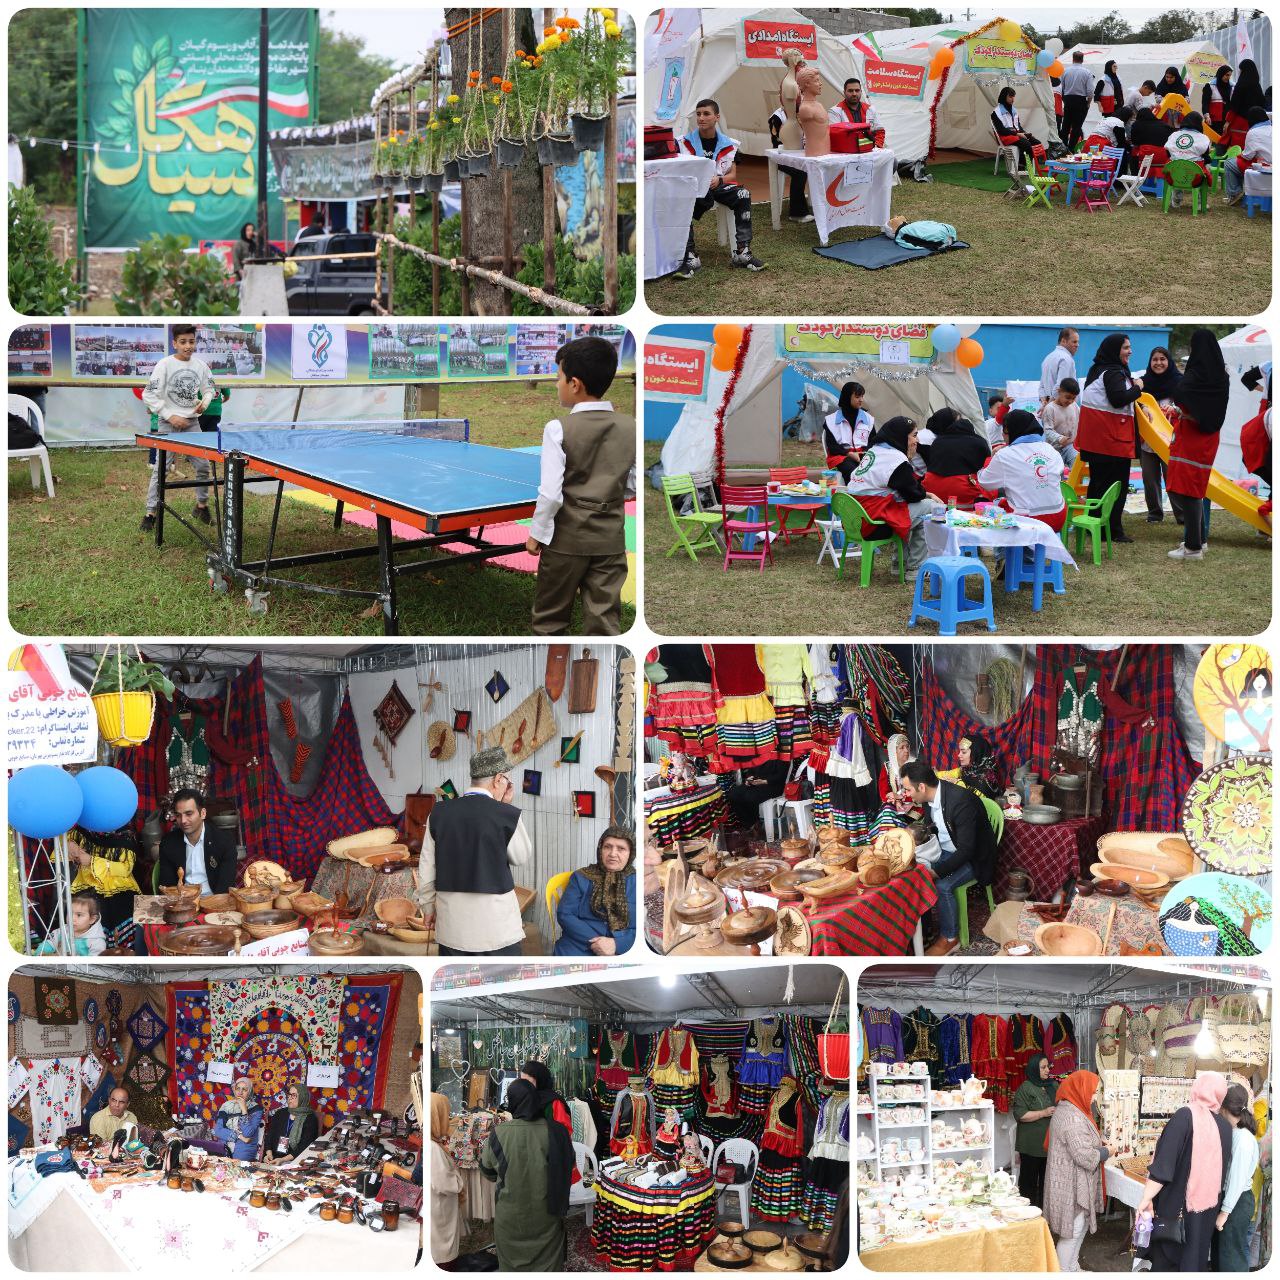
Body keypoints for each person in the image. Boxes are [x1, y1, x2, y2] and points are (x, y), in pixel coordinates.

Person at [525, 336, 635, 636]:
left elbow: (550, 494)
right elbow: (632, 484)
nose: (556, 384)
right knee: (605, 620)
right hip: (610, 540)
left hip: (565, 541)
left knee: (550, 616)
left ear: (574, 384)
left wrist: (537, 533)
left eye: (558, 377)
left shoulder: (557, 428)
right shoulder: (631, 427)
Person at [417, 748, 534, 957]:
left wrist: (427, 908)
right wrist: (506, 809)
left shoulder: (438, 813)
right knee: (502, 980)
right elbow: (521, 857)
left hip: (452, 928)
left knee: (456, 979)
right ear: (498, 779)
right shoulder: (506, 814)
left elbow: (427, 867)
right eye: (507, 781)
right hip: (497, 929)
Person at [899, 760, 998, 956]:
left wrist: (936, 872)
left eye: (908, 789)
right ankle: (925, 931)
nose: (906, 794)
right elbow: (932, 827)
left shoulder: (961, 801)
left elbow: (967, 850)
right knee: (913, 874)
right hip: (946, 850)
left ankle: (950, 939)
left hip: (975, 857)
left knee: (942, 886)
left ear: (921, 787)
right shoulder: (929, 797)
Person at [1136, 1071, 1231, 1271]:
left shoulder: (1185, 1116)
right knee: (1195, 1257)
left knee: (1168, 1259)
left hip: (1178, 1206)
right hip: (1206, 1209)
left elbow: (1164, 1164)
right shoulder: (1225, 1126)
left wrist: (1146, 1198)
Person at [479, 1077, 573, 1271]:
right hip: (548, 1217)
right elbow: (568, 1166)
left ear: (512, 1102)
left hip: (511, 1219)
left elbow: (487, 1171)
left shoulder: (498, 1133)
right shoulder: (558, 1132)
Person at [674, 99, 765, 277]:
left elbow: (733, 175)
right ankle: (690, 256)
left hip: (719, 186)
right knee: (681, 199)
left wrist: (720, 180)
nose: (701, 118)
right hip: (694, 189)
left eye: (706, 114)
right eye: (698, 114)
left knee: (743, 194)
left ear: (717, 117)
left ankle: (743, 252)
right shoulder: (683, 143)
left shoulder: (730, 144)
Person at [139, 325, 215, 533]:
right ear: (174, 343)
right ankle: (150, 513)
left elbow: (210, 389)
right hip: (168, 424)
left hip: (192, 424)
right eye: (183, 342)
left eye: (191, 341)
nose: (188, 346)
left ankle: (201, 507)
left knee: (203, 466)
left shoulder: (201, 366)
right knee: (161, 469)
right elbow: (148, 394)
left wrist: (205, 403)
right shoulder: (164, 365)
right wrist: (169, 415)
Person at [845, 416, 937, 579]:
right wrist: (927, 494)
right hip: (873, 524)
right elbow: (913, 494)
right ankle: (916, 568)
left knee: (907, 508)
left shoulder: (874, 451)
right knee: (930, 508)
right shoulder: (895, 460)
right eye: (914, 435)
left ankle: (899, 564)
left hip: (854, 522)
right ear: (901, 436)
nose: (917, 441)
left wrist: (924, 493)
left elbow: (906, 490)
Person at [1168, 328, 1230, 561]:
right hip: (1210, 438)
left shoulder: (1195, 376)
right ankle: (1200, 540)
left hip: (1192, 437)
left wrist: (1184, 412)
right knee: (1197, 488)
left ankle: (1193, 547)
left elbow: (1179, 392)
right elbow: (1211, 411)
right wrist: (1189, 412)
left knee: (1188, 491)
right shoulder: (1221, 377)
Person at [1076, 332, 1143, 545]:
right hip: (1111, 441)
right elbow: (1118, 399)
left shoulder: (1098, 369)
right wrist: (1138, 387)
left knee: (1098, 484)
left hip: (1098, 440)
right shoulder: (1113, 372)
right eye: (1126, 347)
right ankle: (1112, 530)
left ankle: (1094, 523)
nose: (1130, 351)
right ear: (1115, 350)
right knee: (1115, 487)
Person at [1044, 1070, 1112, 1272]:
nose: (1095, 1097)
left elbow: (1082, 1142)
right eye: (1094, 1091)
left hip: (1071, 1179)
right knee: (1072, 1231)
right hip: (1070, 1183)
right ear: (1081, 1089)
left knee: (1079, 1226)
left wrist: (1099, 1144)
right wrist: (1107, 1151)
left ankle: (1072, 1268)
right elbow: (1084, 1155)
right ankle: (1063, 1270)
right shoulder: (1072, 1117)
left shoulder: (1071, 1108)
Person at [976, 409, 1068, 533]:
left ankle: (1004, 546)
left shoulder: (1005, 455)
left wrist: (991, 458)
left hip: (1027, 521)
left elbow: (985, 482)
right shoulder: (1051, 450)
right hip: (1058, 517)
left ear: (1009, 430)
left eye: (1004, 430)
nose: (1002, 435)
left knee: (996, 507)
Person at [554, 826, 636, 957]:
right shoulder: (581, 877)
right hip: (580, 944)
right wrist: (597, 942)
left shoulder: (638, 882)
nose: (612, 854)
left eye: (621, 848)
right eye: (607, 847)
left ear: (631, 853)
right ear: (600, 849)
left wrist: (618, 944)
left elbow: (642, 926)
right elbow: (565, 914)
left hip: (624, 948)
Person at [67, 826, 139, 950]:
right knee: (83, 908)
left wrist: (92, 861)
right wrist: (70, 844)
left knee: (120, 909)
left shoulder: (125, 835)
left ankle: (118, 951)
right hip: (87, 882)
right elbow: (62, 836)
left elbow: (125, 869)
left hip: (119, 885)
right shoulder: (84, 828)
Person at [1213, 1083, 1261, 1271]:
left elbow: (1237, 1179)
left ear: (1224, 1107)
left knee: (1231, 1259)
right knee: (1223, 1255)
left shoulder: (1243, 1138)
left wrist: (1224, 1212)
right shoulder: (1235, 1132)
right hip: (1233, 1200)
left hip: (1237, 1202)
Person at [157, 788, 237, 895]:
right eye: (178, 815)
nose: (183, 821)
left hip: (214, 901)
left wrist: (210, 904)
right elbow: (168, 887)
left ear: (203, 813)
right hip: (182, 901)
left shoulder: (224, 841)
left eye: (189, 814)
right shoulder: (168, 843)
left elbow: (225, 888)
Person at [1136, 347, 1181, 523]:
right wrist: (1142, 405)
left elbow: (1186, 405)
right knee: (1149, 478)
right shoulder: (1143, 383)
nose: (1158, 363)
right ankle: (1154, 513)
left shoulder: (1179, 382)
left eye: (1162, 359)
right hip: (1147, 441)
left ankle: (1182, 514)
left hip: (1171, 440)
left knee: (1173, 478)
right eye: (1155, 359)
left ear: (1168, 361)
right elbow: (1134, 402)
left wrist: (1174, 408)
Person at [920, 408, 993, 507]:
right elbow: (987, 472)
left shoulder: (937, 441)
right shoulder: (979, 442)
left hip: (931, 487)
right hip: (961, 489)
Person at [1012, 1054, 1056, 1208]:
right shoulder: (1025, 1088)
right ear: (1034, 1069)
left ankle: (1045, 1213)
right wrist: (1043, 1113)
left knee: (1047, 1184)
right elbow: (1021, 1115)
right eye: (1043, 1067)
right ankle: (1027, 1214)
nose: (1047, 1070)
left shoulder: (1052, 1085)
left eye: (1048, 1067)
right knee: (1028, 1184)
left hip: (1050, 1145)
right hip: (1031, 1146)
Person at [430, 1092, 464, 1266]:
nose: (448, 1119)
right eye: (445, 1115)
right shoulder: (434, 1149)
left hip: (437, 1212)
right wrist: (458, 1176)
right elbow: (446, 1185)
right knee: (443, 1259)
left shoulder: (433, 1143)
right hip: (439, 1216)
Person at [823, 381, 873, 482]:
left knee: (877, 471)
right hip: (841, 456)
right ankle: (854, 491)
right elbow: (832, 447)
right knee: (855, 473)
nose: (861, 400)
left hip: (864, 455)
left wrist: (865, 455)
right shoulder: (831, 420)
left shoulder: (868, 419)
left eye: (862, 396)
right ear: (847, 397)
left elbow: (873, 442)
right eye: (857, 397)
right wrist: (849, 453)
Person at [768, 107, 811, 222]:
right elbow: (781, 141)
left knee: (818, 166)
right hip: (782, 158)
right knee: (800, 172)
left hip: (802, 154)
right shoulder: (777, 117)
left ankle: (822, 206)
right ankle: (797, 213)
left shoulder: (804, 111)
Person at [724, 758, 791, 831]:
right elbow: (751, 770)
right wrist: (749, 779)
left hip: (773, 785)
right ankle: (749, 824)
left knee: (750, 796)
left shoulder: (779, 755)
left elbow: (781, 776)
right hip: (756, 783)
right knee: (733, 794)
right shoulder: (759, 753)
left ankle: (754, 823)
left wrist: (764, 781)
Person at [1224, 106, 1272, 205]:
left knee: (1229, 163)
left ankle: (1234, 193)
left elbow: (1247, 156)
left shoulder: (1253, 132)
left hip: (1266, 168)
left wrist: (1240, 155)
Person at [263, 1083, 319, 1162]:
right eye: (289, 1095)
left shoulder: (310, 1119)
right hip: (274, 1158)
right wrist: (268, 1154)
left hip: (295, 1160)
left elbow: (304, 1146)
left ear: (303, 1097)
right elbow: (269, 1136)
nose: (289, 1098)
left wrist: (282, 1160)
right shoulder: (280, 1113)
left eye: (294, 1095)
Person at [939, 732, 1004, 800]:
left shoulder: (986, 777)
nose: (959, 755)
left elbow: (981, 801)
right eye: (960, 751)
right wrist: (934, 775)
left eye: (964, 752)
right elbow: (948, 774)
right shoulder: (968, 770)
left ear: (976, 754)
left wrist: (958, 783)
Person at [212, 1077, 265, 1159]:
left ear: (250, 1092)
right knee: (219, 1164)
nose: (240, 1092)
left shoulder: (256, 1109)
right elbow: (218, 1130)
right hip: (225, 1144)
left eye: (244, 1089)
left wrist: (244, 1109)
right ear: (234, 1090)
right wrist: (239, 1136)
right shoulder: (226, 1106)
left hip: (245, 1147)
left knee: (238, 1165)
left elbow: (247, 1133)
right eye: (238, 1089)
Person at [991, 87, 1041, 168]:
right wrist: (1018, 134)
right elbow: (1001, 130)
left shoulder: (1013, 110)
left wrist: (1024, 133)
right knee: (1026, 144)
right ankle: (1021, 165)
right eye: (1010, 96)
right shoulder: (996, 112)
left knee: (1037, 142)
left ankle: (1029, 165)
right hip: (1005, 137)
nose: (1013, 99)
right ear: (1004, 96)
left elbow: (1018, 126)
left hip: (1015, 135)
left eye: (1013, 96)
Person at [1221, 58, 1265, 150]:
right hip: (1254, 123)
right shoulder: (1257, 86)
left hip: (1240, 122)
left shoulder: (1241, 85)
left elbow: (1235, 105)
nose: (1239, 72)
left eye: (1241, 70)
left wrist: (1228, 121)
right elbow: (1262, 104)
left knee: (1236, 147)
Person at [829, 77, 884, 147]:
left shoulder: (870, 109)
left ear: (861, 91)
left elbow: (880, 131)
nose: (854, 94)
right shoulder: (835, 111)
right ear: (844, 92)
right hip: (847, 150)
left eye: (857, 90)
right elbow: (834, 135)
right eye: (850, 91)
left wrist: (876, 147)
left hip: (869, 150)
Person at [1040, 377, 1080, 467]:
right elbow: (1048, 430)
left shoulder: (1074, 406)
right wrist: (1059, 438)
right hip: (1054, 449)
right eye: (1067, 397)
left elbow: (1081, 421)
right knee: (1057, 472)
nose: (1070, 401)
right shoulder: (1050, 409)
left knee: (1076, 466)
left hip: (1071, 446)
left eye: (1073, 398)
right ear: (1059, 391)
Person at [1059, 52, 1094, 150]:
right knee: (1077, 127)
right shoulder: (1087, 72)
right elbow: (1090, 91)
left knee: (1066, 126)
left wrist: (1065, 100)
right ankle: (1071, 149)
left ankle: (1063, 148)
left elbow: (1062, 88)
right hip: (1081, 100)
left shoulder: (1065, 71)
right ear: (1082, 60)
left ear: (1073, 59)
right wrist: (1088, 103)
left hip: (1068, 99)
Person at [1039, 328, 1079, 405]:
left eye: (1077, 342)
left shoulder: (1048, 357)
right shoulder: (1066, 359)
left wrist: (1044, 403)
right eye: (1074, 342)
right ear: (1063, 341)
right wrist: (1049, 405)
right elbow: (1061, 386)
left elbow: (1041, 387)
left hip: (1049, 403)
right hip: (1060, 406)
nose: (1077, 345)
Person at [1202, 65, 1233, 129]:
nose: (1228, 77)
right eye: (1227, 75)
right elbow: (1205, 103)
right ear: (1221, 74)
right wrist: (1207, 116)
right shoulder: (1210, 86)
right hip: (1213, 120)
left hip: (1227, 120)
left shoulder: (1232, 86)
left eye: (1230, 75)